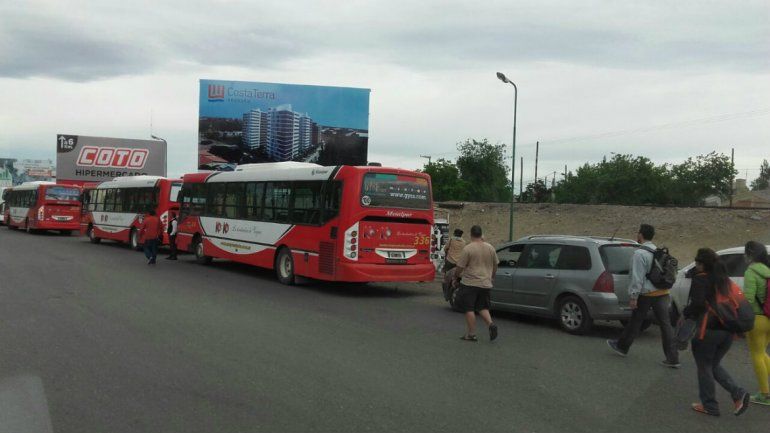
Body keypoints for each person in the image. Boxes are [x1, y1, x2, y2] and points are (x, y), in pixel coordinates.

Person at [683, 248, 750, 416]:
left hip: (708, 330)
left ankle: (710, 405)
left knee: (704, 366)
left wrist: (686, 314)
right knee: (713, 365)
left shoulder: (701, 280)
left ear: (702, 264)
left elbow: (697, 304)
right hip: (727, 332)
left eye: (697, 263)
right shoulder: (724, 280)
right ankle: (738, 394)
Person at [607, 224, 679, 367]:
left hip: (646, 294)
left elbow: (637, 278)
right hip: (663, 292)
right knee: (666, 325)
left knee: (635, 321)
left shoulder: (639, 254)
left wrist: (633, 297)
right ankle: (673, 358)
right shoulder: (657, 251)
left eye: (638, 233)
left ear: (641, 235)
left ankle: (622, 346)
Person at [453, 225, 499, 342]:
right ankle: (491, 324)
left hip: (470, 283)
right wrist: (492, 276)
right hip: (486, 283)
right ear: (481, 234)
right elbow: (495, 265)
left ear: (471, 234)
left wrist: (455, 277)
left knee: (469, 309)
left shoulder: (468, 248)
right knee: (482, 306)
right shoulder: (490, 248)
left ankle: (471, 334)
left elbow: (460, 266)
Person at [743, 241, 770, 405]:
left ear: (750, 255)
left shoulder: (751, 272)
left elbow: (748, 299)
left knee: (757, 354)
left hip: (757, 319)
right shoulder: (768, 271)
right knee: (763, 352)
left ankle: (765, 394)